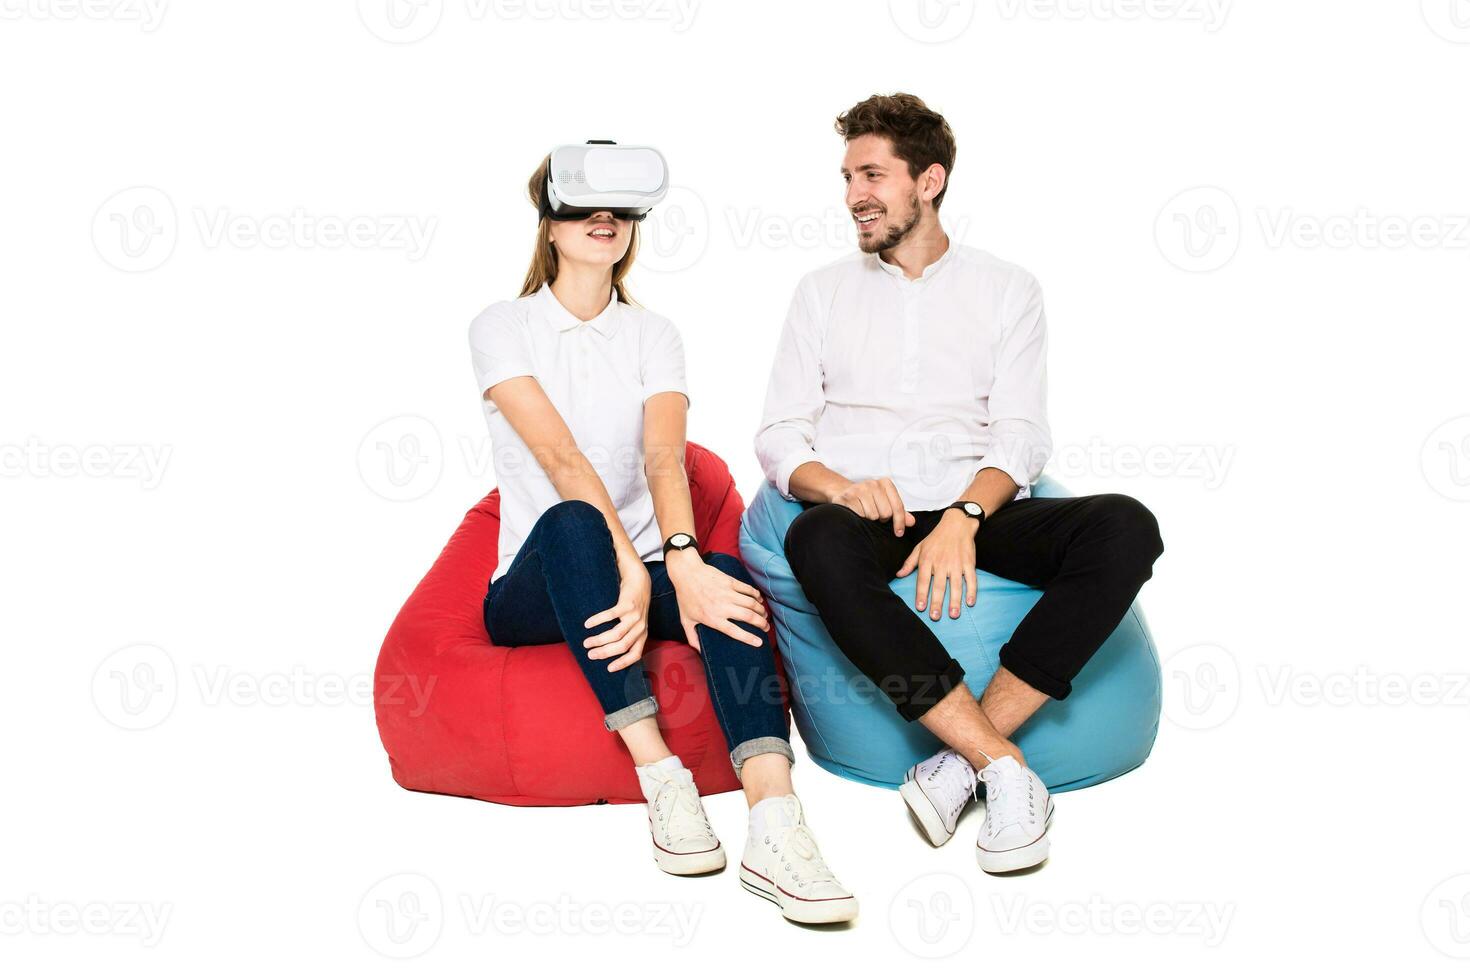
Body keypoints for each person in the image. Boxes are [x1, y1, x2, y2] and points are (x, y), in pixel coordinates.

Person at [754, 94, 1165, 874]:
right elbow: (778, 434)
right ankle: (1004, 767)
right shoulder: (821, 291)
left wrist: (968, 516)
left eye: (872, 175)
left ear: (930, 180)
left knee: (1126, 525)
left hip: (979, 503)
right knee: (815, 540)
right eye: (846, 177)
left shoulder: (1007, 287)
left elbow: (1022, 433)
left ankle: (955, 762)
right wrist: (840, 487)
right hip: (868, 508)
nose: (853, 196)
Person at [469, 150, 857, 924]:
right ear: (549, 224)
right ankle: (663, 779)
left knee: (723, 576)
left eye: (618, 210)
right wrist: (633, 571)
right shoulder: (502, 325)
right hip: (535, 584)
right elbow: (560, 457)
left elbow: (662, 457)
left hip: (647, 562)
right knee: (576, 521)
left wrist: (679, 562)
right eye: (581, 208)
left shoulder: (654, 333)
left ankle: (775, 822)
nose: (602, 220)